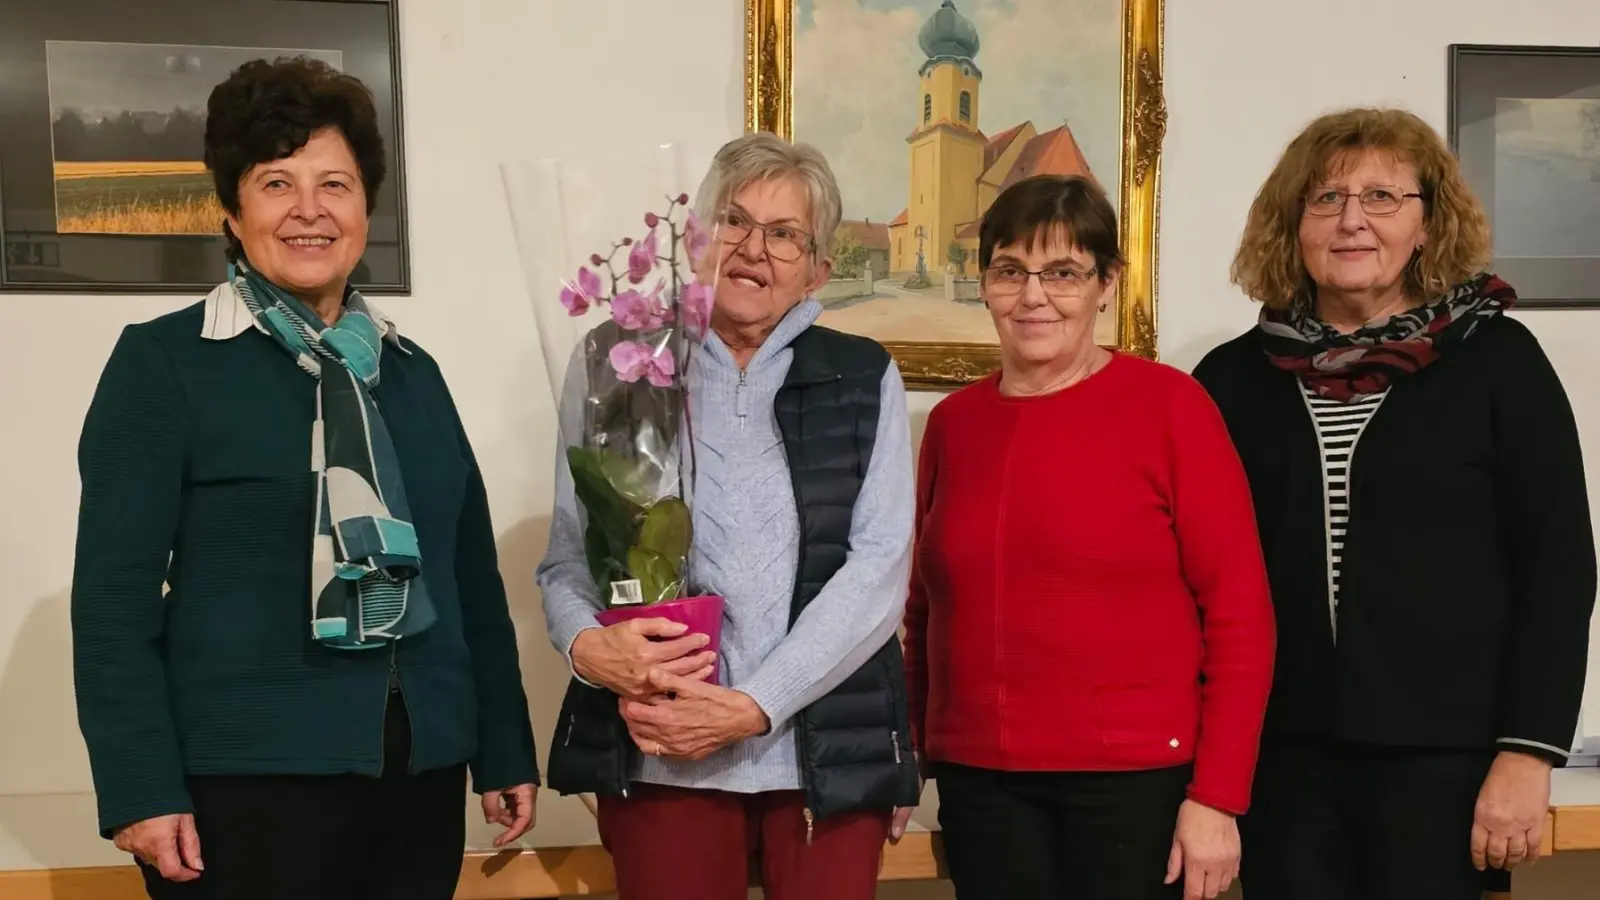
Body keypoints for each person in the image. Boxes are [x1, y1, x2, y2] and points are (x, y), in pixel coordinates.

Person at [70, 57, 539, 900]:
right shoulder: (165, 364)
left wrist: (502, 747)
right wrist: (139, 787)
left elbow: (470, 577)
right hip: (240, 786)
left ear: (366, 209)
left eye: (336, 184)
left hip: (418, 774)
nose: (310, 210)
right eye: (277, 183)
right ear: (232, 209)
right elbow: (112, 605)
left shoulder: (410, 371)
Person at [1192, 106, 1597, 900]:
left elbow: (1558, 566)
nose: (1352, 221)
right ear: (1293, 223)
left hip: (1449, 762)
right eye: (1326, 199)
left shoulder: (1500, 363)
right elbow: (1197, 585)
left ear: (1426, 223)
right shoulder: (1231, 380)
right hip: (1277, 762)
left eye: (1382, 198)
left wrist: (1528, 754)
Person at [536, 131, 921, 900]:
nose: (754, 248)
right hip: (662, 748)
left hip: (820, 756)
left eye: (785, 235)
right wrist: (587, 646)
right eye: (735, 222)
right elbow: (568, 559)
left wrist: (754, 705)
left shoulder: (861, 373)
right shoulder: (617, 362)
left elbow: (879, 571)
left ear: (818, 268)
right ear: (694, 238)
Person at [902, 173, 1278, 900]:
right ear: (983, 284)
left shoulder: (1171, 407)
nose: (1033, 296)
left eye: (1063, 273)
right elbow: (925, 609)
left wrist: (1219, 798)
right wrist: (907, 757)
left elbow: (1240, 615)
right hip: (984, 783)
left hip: (1135, 786)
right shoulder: (954, 425)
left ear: (1107, 283)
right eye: (1010, 271)